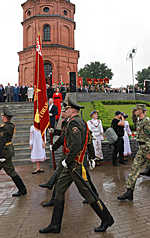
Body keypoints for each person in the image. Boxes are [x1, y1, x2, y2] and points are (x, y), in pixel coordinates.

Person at [39, 97, 114, 234]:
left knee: (87, 193)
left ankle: (107, 218)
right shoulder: (72, 122)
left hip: (75, 165)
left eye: (66, 109)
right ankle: (55, 224)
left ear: (72, 110)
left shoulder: (75, 123)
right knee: (60, 190)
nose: (63, 111)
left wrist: (67, 161)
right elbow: (65, 139)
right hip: (70, 165)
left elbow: (76, 145)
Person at [117, 104, 150, 201]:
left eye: (137, 110)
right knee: (134, 170)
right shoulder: (140, 120)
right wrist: (133, 114)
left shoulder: (146, 122)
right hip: (141, 149)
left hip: (146, 149)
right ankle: (129, 191)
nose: (135, 111)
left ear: (141, 111)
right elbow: (134, 120)